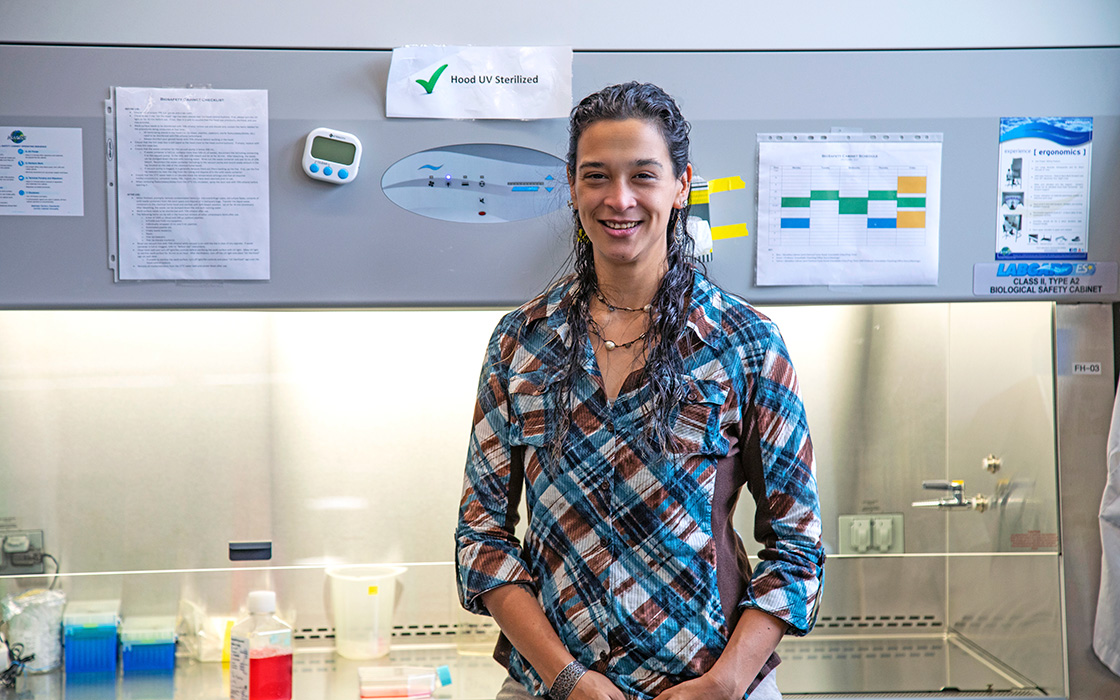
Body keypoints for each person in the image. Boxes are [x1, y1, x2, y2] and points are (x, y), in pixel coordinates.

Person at [456, 82, 824, 700]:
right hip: (551, 686)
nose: (618, 199)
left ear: (682, 186)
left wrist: (726, 684)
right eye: (596, 175)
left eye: (643, 175)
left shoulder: (745, 343)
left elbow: (798, 544)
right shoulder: (521, 340)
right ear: (572, 186)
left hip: (710, 686)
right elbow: (482, 538)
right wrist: (567, 678)